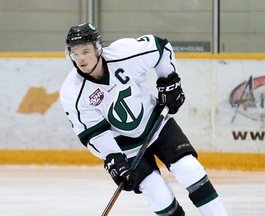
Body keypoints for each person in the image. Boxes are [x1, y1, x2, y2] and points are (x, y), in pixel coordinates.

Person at [60, 22, 227, 216]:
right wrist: (114, 158)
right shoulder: (72, 92)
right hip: (124, 145)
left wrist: (168, 80)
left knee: (189, 169)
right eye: (75, 53)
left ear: (98, 48)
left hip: (156, 123)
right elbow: (93, 133)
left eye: (85, 51)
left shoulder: (123, 53)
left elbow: (161, 47)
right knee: (157, 192)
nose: (80, 59)